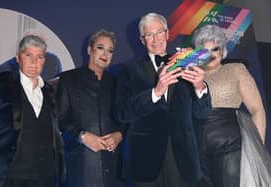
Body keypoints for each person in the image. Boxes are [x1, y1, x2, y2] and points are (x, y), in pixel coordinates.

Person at [115, 12, 211, 187]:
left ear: (168, 34)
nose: (155, 39)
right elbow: (122, 113)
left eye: (159, 32)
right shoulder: (127, 70)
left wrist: (200, 87)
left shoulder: (188, 63)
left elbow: (203, 113)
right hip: (144, 159)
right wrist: (156, 92)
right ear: (142, 40)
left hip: (182, 159)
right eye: (149, 35)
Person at [192, 24, 271, 187]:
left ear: (222, 50)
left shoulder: (236, 69)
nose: (211, 54)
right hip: (196, 147)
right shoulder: (191, 76)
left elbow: (257, 109)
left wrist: (256, 150)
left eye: (215, 49)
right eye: (205, 50)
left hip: (230, 145)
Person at [0, 34, 65, 187]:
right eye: (28, 55)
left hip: (45, 177)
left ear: (44, 60)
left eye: (39, 57)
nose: (34, 62)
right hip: (9, 176)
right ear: (18, 58)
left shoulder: (51, 92)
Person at [56, 29, 124, 187]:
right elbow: (60, 119)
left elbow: (125, 117)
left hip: (112, 166)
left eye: (110, 50)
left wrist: (119, 135)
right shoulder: (69, 79)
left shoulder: (118, 83)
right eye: (100, 48)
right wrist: (82, 136)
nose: (105, 54)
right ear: (90, 50)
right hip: (80, 165)